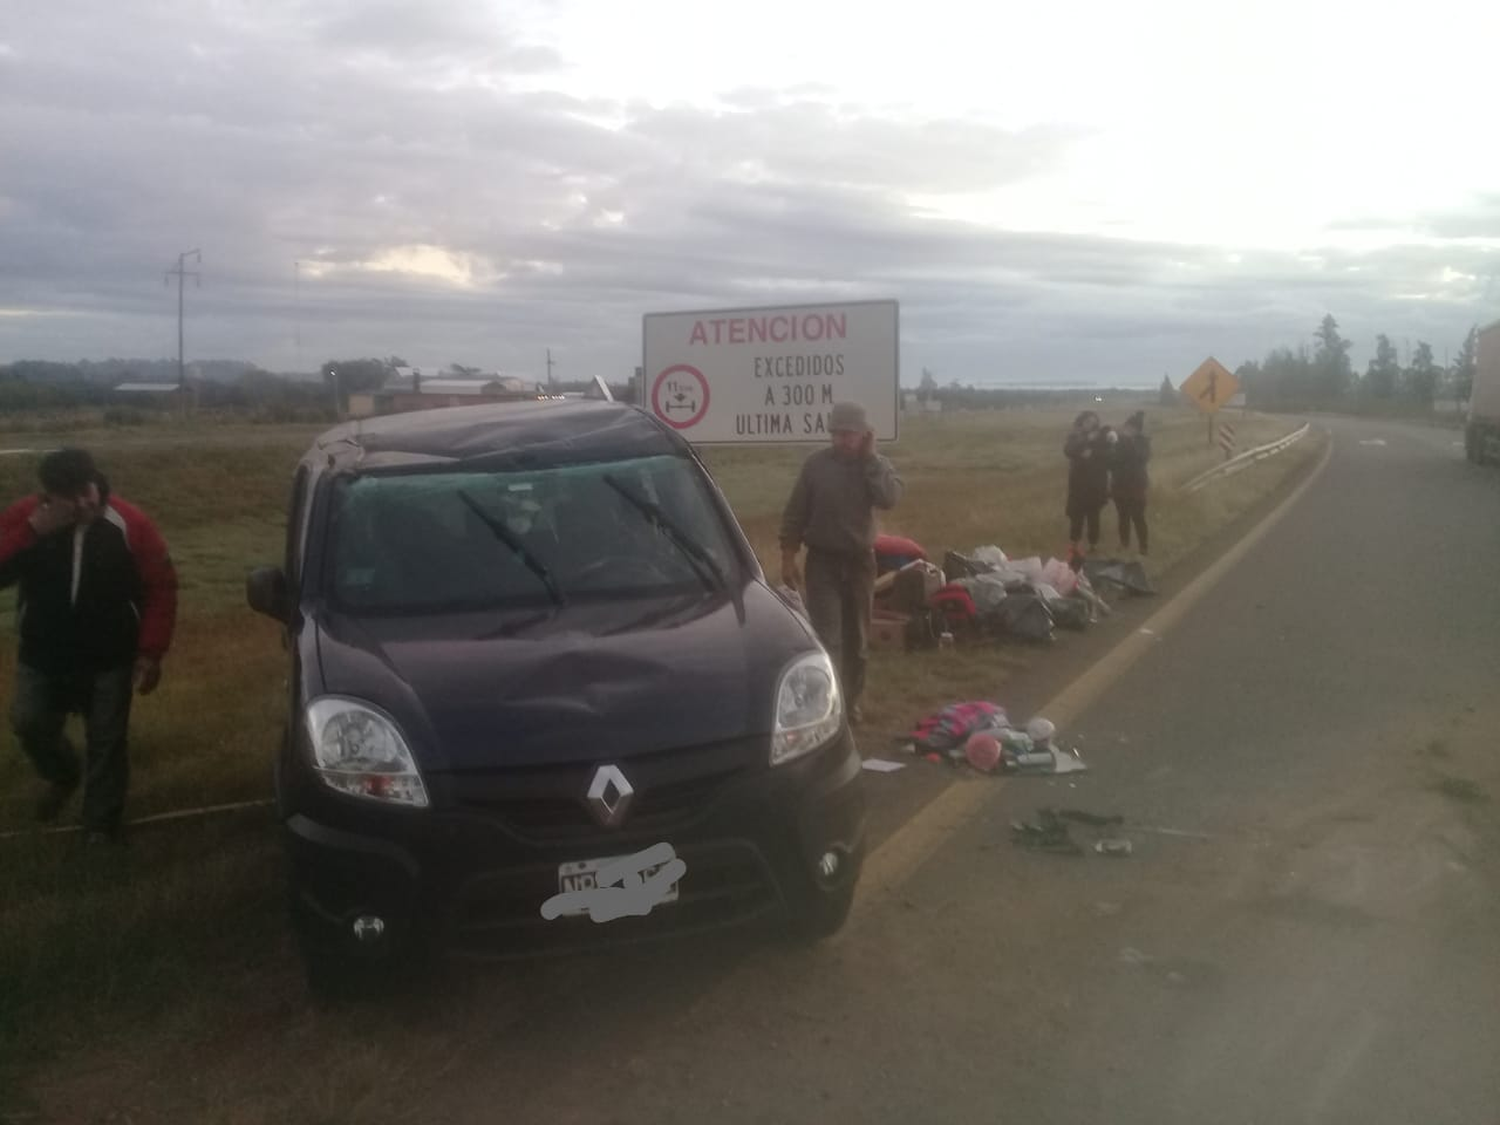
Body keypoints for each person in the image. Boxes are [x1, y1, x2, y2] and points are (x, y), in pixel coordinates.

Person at [0, 448, 177, 842]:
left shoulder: (130, 523)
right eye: (71, 495)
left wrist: (150, 652)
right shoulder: (27, 519)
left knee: (107, 741)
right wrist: (31, 533)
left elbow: (161, 587)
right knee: (28, 722)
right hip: (42, 654)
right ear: (49, 495)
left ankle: (100, 826)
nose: (83, 501)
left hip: (110, 655)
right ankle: (63, 774)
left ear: (96, 481)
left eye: (87, 490)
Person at [779, 403, 903, 723]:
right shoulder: (815, 466)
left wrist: (872, 459)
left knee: (858, 640)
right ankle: (826, 705)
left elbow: (889, 498)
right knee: (827, 637)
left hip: (860, 562)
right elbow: (796, 512)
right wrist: (788, 556)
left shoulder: (875, 466)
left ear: (864, 435)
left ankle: (851, 703)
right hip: (822, 562)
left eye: (849, 434)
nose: (842, 440)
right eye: (837, 433)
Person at [1063, 410, 1111, 563]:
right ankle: (1074, 546)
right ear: (1082, 422)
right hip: (1078, 485)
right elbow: (1068, 450)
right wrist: (1085, 443)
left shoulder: (1102, 437)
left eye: (1093, 421)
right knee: (1076, 516)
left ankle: (1093, 545)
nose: (1091, 424)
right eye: (1088, 421)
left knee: (1093, 517)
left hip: (1096, 484)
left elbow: (1108, 454)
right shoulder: (1075, 436)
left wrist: (1093, 452)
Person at [1112, 410, 1151, 556]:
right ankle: (1124, 543)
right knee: (1122, 517)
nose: (1128, 430)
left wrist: (1129, 443)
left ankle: (1143, 545)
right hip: (1119, 485)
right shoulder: (1117, 441)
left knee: (1138, 516)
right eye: (1127, 427)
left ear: (1138, 429)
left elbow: (1143, 457)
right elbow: (1112, 461)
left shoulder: (1143, 442)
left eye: (1132, 427)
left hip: (1137, 485)